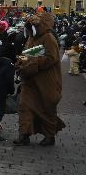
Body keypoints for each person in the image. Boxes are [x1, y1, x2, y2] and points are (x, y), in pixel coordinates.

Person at [14, 12, 65, 146]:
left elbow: (52, 58)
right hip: (30, 80)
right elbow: (25, 53)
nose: (30, 28)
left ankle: (49, 136)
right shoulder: (31, 37)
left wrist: (32, 62)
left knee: (46, 109)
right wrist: (21, 61)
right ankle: (24, 135)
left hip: (45, 81)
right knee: (25, 105)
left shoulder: (49, 37)